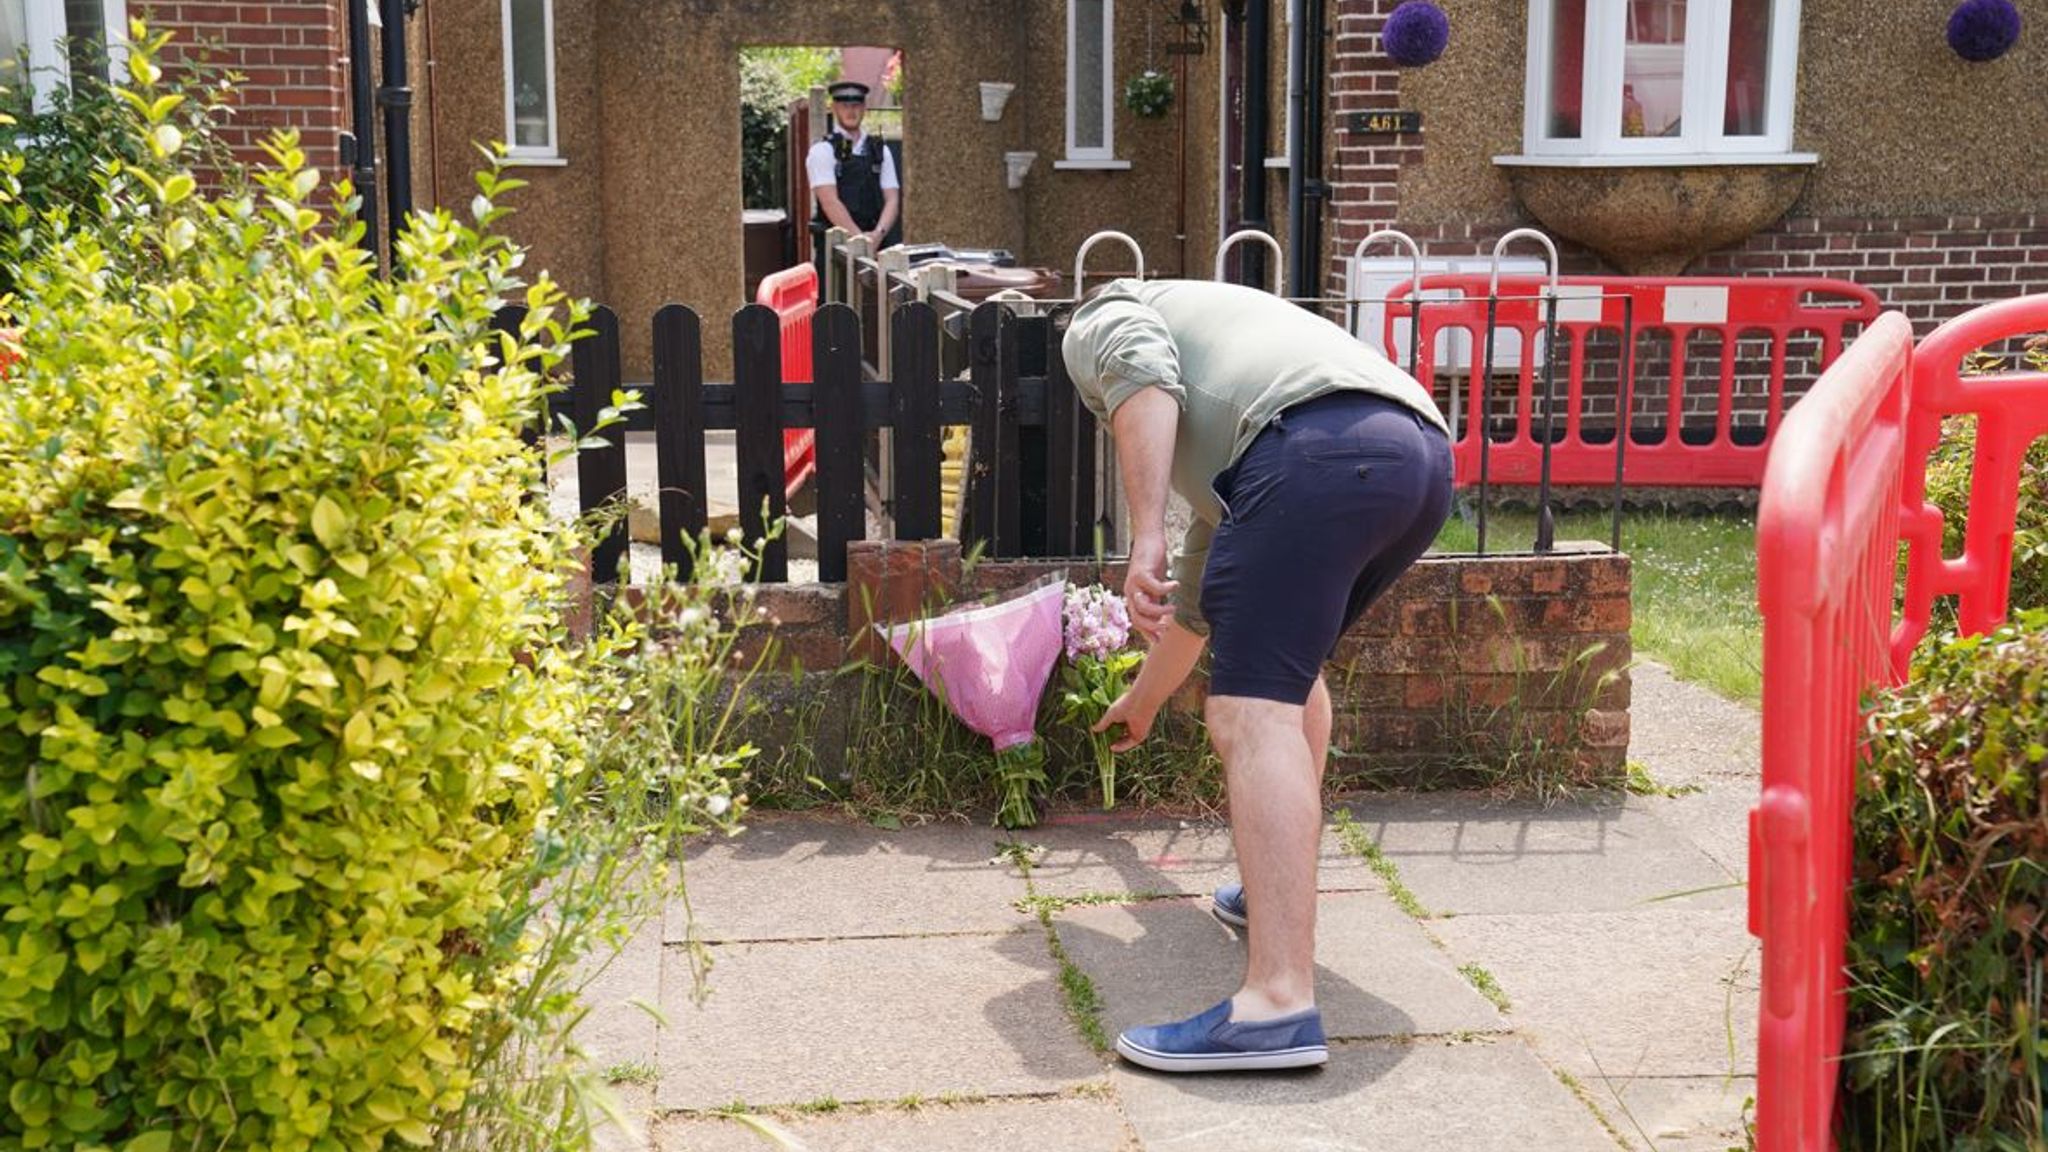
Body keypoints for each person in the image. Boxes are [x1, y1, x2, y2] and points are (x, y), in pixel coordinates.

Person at [1061, 278, 1453, 1073]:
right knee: (1283, 678)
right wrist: (1141, 702)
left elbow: (1139, 366)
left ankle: (1277, 1002)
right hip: (1417, 456)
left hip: (1314, 451)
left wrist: (1143, 539)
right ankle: (1270, 894)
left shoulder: (1100, 314)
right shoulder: (1238, 407)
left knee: (1251, 716)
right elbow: (1205, 609)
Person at [807, 79, 901, 274]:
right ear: (833, 107)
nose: (851, 111)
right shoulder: (822, 151)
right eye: (844, 105)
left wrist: (877, 235)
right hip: (837, 250)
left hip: (877, 246)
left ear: (865, 107)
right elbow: (830, 202)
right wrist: (860, 240)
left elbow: (892, 199)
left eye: (856, 104)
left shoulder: (880, 150)